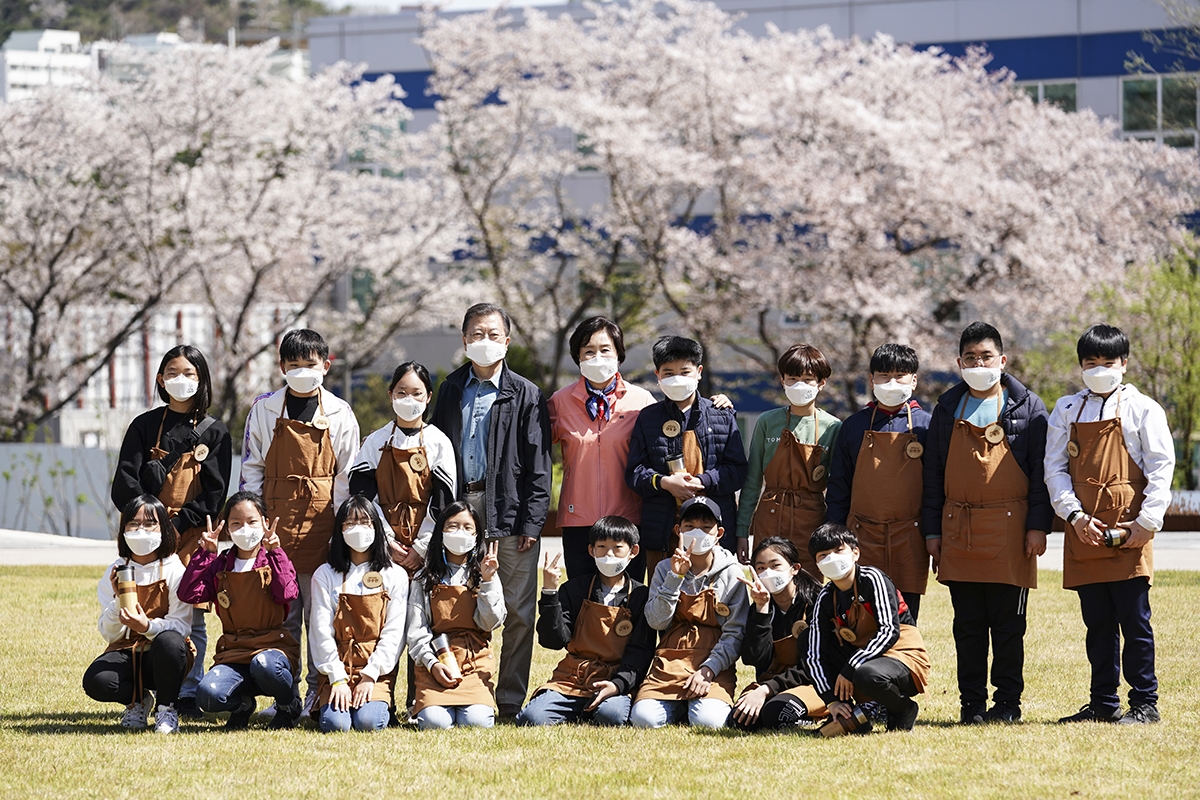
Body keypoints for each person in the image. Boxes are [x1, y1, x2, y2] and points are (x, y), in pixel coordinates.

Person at [923, 321, 1050, 725]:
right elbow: (932, 475)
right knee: (968, 626)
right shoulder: (946, 408)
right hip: (957, 527)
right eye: (972, 358)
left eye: (987, 357)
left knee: (1010, 626)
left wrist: (1038, 526)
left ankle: (1008, 704)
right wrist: (932, 531)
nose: (980, 363)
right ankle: (971, 705)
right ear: (959, 362)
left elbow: (1042, 472)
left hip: (1011, 530)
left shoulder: (1028, 407)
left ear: (1003, 360)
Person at [1045, 324, 1173, 726]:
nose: (1099, 369)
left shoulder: (1143, 408)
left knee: (1135, 621)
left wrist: (1147, 523)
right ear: (1080, 366)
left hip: (1129, 526)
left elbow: (1160, 468)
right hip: (1085, 528)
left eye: (1108, 362)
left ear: (1124, 364)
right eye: (1091, 363)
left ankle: (1145, 703)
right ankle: (1102, 703)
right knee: (1096, 622)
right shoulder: (1066, 409)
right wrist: (1074, 515)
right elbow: (1055, 468)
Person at [431, 303, 552, 719]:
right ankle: (455, 688)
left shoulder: (526, 393)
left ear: (507, 340)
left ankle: (509, 699)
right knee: (453, 603)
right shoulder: (449, 388)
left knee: (518, 610)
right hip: (460, 508)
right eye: (476, 334)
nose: (484, 341)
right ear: (464, 340)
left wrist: (533, 522)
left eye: (492, 334)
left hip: (511, 510)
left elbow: (539, 464)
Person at [240, 328, 360, 715]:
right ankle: (284, 694)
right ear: (282, 368)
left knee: (319, 615)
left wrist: (341, 533)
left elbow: (347, 476)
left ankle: (316, 689)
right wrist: (254, 528)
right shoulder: (264, 409)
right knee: (281, 615)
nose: (302, 372)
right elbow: (252, 468)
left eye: (310, 365)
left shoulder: (340, 412)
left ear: (325, 366)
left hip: (322, 527)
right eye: (294, 365)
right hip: (273, 527)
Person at [110, 344, 232, 718]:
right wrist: (152, 524)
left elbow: (214, 495)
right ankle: (140, 688)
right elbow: (123, 486)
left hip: (191, 535)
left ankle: (187, 692)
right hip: (144, 534)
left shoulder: (215, 432)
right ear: (160, 379)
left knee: (191, 614)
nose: (182, 380)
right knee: (138, 608)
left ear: (202, 380)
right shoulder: (144, 426)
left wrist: (177, 526)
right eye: (173, 373)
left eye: (190, 373)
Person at [626, 336, 748, 579]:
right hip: (663, 527)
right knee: (664, 596)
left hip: (713, 527)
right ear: (657, 375)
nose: (677, 378)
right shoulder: (648, 418)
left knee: (716, 598)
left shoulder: (721, 414)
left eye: (684, 371)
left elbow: (737, 471)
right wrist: (663, 482)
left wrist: (705, 481)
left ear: (699, 372)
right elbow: (634, 472)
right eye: (668, 372)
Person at [826, 343, 932, 621]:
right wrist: (835, 533)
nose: (891, 382)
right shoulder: (853, 426)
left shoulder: (927, 426)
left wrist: (934, 535)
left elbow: (936, 486)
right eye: (884, 376)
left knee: (905, 615)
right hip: (861, 534)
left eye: (900, 375)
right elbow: (839, 485)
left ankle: (903, 663)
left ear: (914, 380)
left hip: (911, 536)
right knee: (860, 611)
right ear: (871, 380)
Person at [178, 491, 302, 729]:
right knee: (207, 694)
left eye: (252, 521)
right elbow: (189, 594)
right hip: (234, 652)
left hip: (272, 648)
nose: (245, 528)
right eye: (236, 522)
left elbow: (288, 593)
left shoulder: (272, 559)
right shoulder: (221, 564)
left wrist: (276, 551)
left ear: (265, 523)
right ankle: (242, 705)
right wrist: (205, 553)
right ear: (227, 528)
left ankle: (288, 705)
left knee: (265, 665)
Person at [517, 515, 655, 727]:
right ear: (591, 551)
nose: (608, 554)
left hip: (613, 680)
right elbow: (553, 641)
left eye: (617, 547)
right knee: (531, 719)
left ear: (633, 552)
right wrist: (549, 592)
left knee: (612, 717)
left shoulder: (640, 596)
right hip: (572, 678)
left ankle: (596, 707)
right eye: (601, 547)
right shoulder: (574, 589)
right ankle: (582, 707)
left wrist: (618, 685)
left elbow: (641, 651)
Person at [549, 317, 656, 582]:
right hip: (578, 519)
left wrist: (712, 405)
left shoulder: (641, 400)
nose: (597, 357)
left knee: (628, 602)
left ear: (619, 353)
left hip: (628, 519)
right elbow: (530, 445)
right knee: (581, 601)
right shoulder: (560, 402)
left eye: (605, 349)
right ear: (578, 357)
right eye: (588, 351)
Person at [629, 497, 747, 729]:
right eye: (690, 527)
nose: (698, 533)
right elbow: (656, 621)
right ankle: (680, 705)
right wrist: (675, 578)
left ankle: (695, 705)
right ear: (678, 530)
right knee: (643, 720)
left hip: (713, 662)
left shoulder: (732, 574)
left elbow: (735, 632)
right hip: (669, 661)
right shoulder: (664, 568)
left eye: (706, 527)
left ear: (719, 533)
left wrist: (709, 670)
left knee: (708, 722)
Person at [83, 495, 193, 734]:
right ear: (123, 529)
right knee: (96, 681)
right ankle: (138, 701)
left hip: (164, 655)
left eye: (149, 523)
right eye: (133, 523)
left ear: (163, 528)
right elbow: (110, 634)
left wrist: (147, 626)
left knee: (171, 641)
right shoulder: (115, 570)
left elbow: (182, 627)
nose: (140, 530)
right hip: (126, 650)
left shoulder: (175, 569)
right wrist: (116, 602)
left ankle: (167, 709)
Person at [806, 523, 930, 733]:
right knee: (806, 640)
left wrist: (850, 667)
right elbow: (813, 654)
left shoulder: (873, 579)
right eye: (823, 555)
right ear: (817, 564)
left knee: (866, 674)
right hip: (863, 657)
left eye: (838, 550)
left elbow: (889, 630)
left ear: (856, 553)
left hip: (902, 656)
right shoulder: (826, 597)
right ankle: (847, 713)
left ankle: (903, 708)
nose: (832, 558)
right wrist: (831, 700)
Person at [737, 343, 841, 576]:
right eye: (792, 378)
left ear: (821, 383)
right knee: (768, 582)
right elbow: (752, 481)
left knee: (810, 586)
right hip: (769, 516)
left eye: (807, 379)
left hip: (812, 520)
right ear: (782, 380)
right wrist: (742, 529)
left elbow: (837, 485)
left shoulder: (833, 426)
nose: (799, 385)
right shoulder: (767, 421)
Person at [309, 496, 409, 733]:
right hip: (338, 667)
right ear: (339, 530)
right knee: (336, 725)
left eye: (365, 522)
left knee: (368, 722)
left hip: (375, 672)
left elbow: (394, 633)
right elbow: (320, 633)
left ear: (377, 527)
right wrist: (337, 678)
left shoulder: (395, 575)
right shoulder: (324, 575)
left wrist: (370, 675)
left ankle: (381, 701)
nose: (358, 529)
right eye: (350, 523)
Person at [349, 360, 457, 572]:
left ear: (428, 397)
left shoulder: (439, 442)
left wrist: (421, 546)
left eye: (417, 393)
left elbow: (444, 499)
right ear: (390, 396)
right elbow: (362, 497)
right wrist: (386, 541)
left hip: (428, 548)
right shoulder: (375, 441)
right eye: (402, 393)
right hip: (382, 548)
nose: (410, 399)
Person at [408, 502, 505, 729]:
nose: (460, 533)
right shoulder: (424, 577)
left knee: (476, 722)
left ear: (477, 534)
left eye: (467, 527)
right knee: (435, 722)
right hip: (437, 660)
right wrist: (432, 664)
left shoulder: (485, 572)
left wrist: (488, 581)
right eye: (452, 526)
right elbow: (416, 630)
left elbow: (491, 622)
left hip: (475, 663)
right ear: (440, 532)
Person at [730, 536, 824, 731]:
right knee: (739, 720)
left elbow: (815, 665)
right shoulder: (760, 606)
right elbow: (754, 658)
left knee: (777, 714)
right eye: (761, 568)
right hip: (772, 684)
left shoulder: (817, 603)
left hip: (812, 683)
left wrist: (767, 689)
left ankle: (821, 717)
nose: (768, 573)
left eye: (775, 565)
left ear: (795, 568)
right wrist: (761, 609)